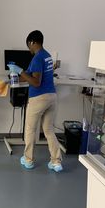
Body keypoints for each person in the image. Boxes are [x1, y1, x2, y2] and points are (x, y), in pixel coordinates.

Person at [7, 30, 62, 172]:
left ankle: (28, 159)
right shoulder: (47, 56)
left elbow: (36, 82)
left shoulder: (37, 58)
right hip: (52, 97)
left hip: (39, 97)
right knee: (49, 130)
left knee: (30, 129)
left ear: (32, 42)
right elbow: (29, 76)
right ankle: (56, 162)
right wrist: (13, 78)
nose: (29, 49)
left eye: (28, 45)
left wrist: (19, 71)